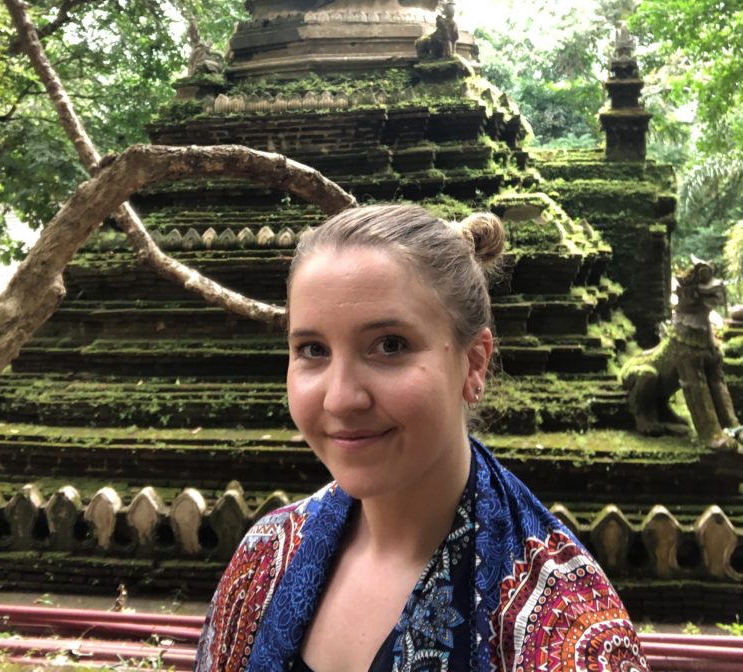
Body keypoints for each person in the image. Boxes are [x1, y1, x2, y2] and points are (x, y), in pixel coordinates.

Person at [195, 203, 650, 672]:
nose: (340, 399)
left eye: (390, 345)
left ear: (473, 363)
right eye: (313, 350)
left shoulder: (566, 630)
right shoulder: (263, 559)